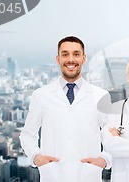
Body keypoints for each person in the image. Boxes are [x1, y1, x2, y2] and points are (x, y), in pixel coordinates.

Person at [19, 36, 111, 182]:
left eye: (76, 54)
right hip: (53, 176)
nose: (71, 60)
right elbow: (27, 134)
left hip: (88, 176)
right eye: (65, 54)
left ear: (84, 58)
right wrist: (36, 157)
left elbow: (113, 136)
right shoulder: (41, 95)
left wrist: (105, 159)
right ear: (58, 59)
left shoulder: (100, 96)